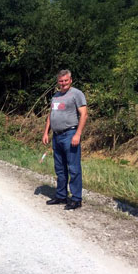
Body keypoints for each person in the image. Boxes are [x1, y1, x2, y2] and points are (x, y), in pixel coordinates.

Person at [42, 69, 88, 210]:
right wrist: (46, 132)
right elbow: (51, 115)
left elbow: (84, 114)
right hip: (57, 136)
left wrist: (78, 134)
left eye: (66, 80)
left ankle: (76, 199)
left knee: (73, 168)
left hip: (70, 134)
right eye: (61, 81)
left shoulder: (76, 94)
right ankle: (61, 195)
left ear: (71, 80)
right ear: (58, 82)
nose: (63, 83)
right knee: (60, 168)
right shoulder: (55, 96)